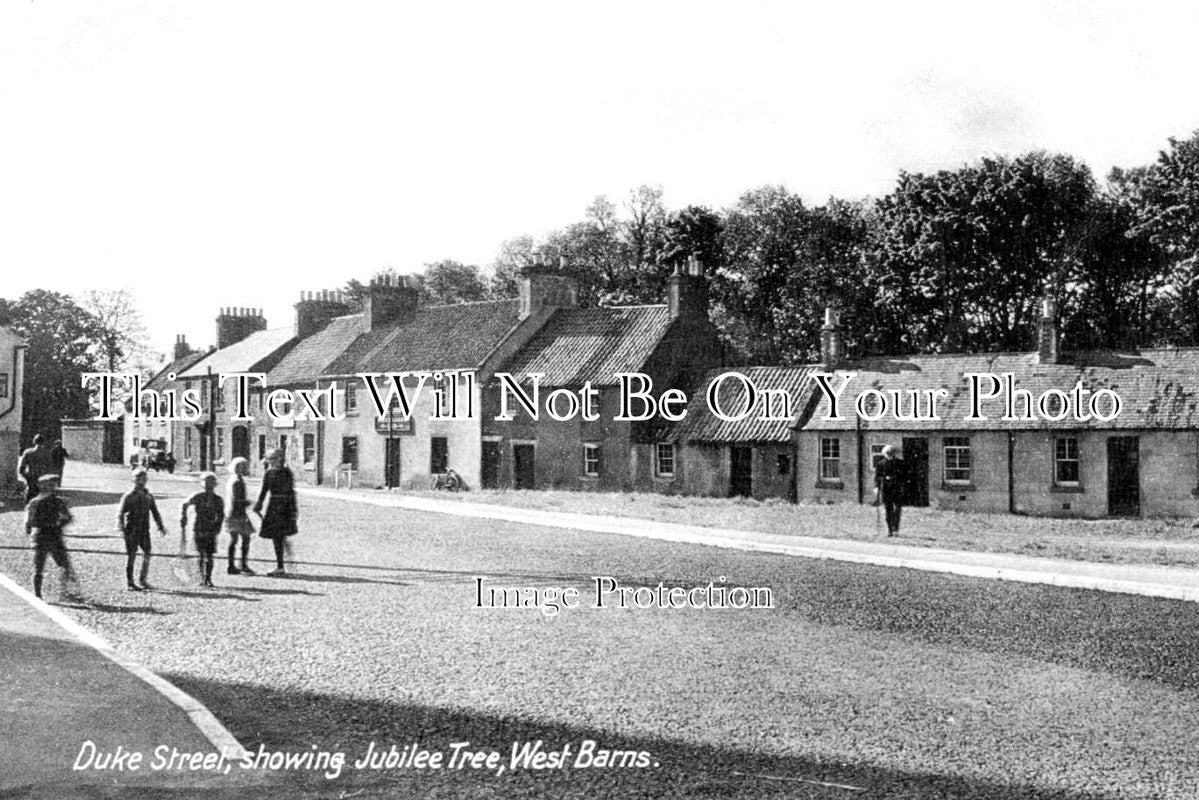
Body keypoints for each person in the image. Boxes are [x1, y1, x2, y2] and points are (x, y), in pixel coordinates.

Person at [26, 474, 79, 600]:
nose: (51, 487)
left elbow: (28, 522)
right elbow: (68, 518)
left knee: (42, 566)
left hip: (42, 535)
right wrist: (58, 526)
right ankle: (60, 592)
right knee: (60, 565)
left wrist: (32, 531)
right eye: (50, 484)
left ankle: (41, 594)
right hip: (50, 535)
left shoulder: (36, 502)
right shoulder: (56, 501)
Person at [117, 468, 167, 591]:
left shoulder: (148, 496)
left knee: (147, 553)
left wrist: (160, 526)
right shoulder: (128, 496)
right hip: (131, 530)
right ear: (133, 480)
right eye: (138, 478)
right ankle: (130, 582)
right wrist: (121, 529)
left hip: (144, 530)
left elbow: (155, 512)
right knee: (131, 555)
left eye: (144, 478)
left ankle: (142, 579)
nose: (141, 481)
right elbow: (120, 513)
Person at [253, 448, 297, 577]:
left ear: (280, 459)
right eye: (270, 460)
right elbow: (264, 489)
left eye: (274, 459)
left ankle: (281, 565)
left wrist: (293, 510)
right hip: (273, 506)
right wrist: (259, 503)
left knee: (280, 536)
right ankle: (280, 565)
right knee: (276, 537)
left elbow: (291, 492)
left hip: (285, 507)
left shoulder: (287, 473)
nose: (272, 462)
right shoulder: (268, 473)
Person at [181, 473, 225, 588]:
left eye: (211, 482)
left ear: (215, 484)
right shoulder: (197, 496)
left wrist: (218, 527)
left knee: (209, 554)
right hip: (198, 527)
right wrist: (183, 516)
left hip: (211, 528)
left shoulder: (218, 499)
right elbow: (185, 504)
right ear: (202, 483)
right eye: (205, 481)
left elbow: (221, 515)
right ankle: (201, 577)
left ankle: (208, 578)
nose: (208, 484)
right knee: (200, 554)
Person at [225, 457, 255, 574]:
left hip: (234, 512)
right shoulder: (237, 481)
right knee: (243, 539)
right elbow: (235, 498)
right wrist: (246, 503)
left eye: (244, 466)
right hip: (237, 513)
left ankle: (234, 565)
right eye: (242, 466)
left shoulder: (235, 479)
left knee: (237, 539)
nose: (244, 468)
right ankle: (239, 564)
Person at [874, 444, 906, 537]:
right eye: (887, 454)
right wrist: (876, 487)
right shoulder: (881, 464)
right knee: (888, 510)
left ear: (894, 454)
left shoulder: (900, 463)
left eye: (891, 454)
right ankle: (889, 530)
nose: (889, 456)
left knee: (897, 509)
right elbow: (877, 477)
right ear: (884, 454)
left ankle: (895, 529)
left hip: (897, 489)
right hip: (886, 490)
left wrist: (902, 485)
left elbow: (904, 476)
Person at [17, 434, 55, 504]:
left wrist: (26, 478)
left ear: (34, 441)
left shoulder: (28, 452)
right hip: (43, 478)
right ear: (44, 442)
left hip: (31, 477)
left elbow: (21, 468)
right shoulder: (47, 453)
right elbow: (51, 467)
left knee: (30, 501)